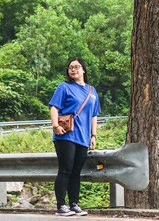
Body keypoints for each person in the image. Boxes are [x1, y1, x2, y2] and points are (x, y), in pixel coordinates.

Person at [49, 58, 100, 216]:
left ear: (83, 70)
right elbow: (54, 107)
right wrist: (55, 126)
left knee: (76, 172)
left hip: (83, 138)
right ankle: (61, 206)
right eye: (70, 68)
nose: (73, 70)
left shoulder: (92, 91)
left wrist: (93, 135)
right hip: (66, 135)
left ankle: (74, 204)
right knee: (65, 170)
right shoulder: (64, 87)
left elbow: (94, 115)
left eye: (77, 67)